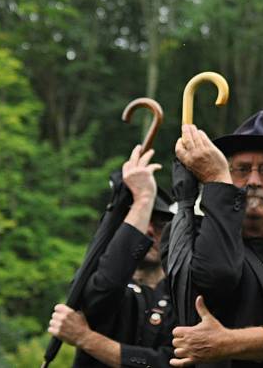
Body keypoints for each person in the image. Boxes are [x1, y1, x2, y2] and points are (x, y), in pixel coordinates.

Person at [171, 110, 263, 367]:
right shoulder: (189, 235)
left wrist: (229, 342)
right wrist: (217, 183)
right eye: (241, 170)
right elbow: (216, 276)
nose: (253, 181)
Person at [48, 145, 176, 368]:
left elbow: (167, 363)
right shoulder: (101, 286)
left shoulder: (180, 295)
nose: (149, 230)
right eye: (143, 220)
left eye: (159, 224)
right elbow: (106, 285)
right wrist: (142, 201)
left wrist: (86, 339)